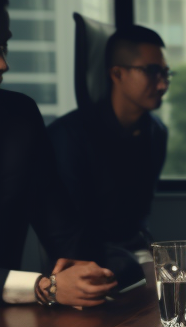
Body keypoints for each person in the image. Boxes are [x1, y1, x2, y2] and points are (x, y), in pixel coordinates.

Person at [0, 0, 141, 306]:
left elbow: (64, 233)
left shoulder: (16, 115)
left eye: (3, 44)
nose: (1, 63)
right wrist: (43, 286)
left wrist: (91, 270)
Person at [48, 25, 170, 256]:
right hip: (82, 263)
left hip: (136, 254)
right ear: (117, 74)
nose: (162, 84)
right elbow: (67, 232)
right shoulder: (68, 136)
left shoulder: (156, 132)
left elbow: (140, 215)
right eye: (152, 71)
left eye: (166, 73)